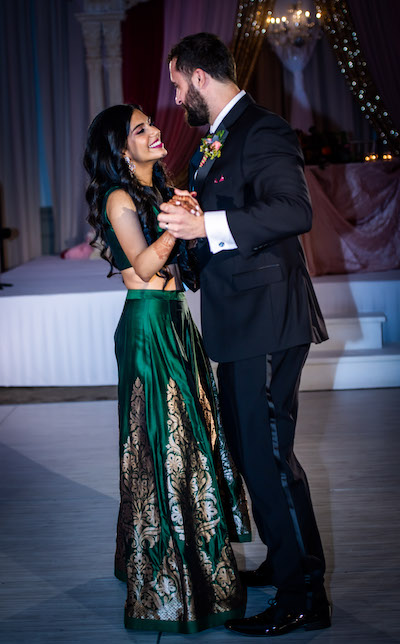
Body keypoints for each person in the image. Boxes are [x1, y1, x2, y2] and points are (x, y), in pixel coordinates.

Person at [157, 33, 331, 637]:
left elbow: (293, 211)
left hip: (267, 319)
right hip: (239, 320)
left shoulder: (264, 129)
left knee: (269, 460)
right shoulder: (219, 138)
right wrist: (192, 226)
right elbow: (222, 223)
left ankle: (304, 596)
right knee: (254, 455)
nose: (178, 100)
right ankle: (288, 565)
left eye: (179, 87)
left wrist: (208, 220)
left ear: (200, 78)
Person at [83, 103, 251, 634]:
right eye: (140, 130)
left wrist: (185, 217)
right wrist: (179, 228)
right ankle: (169, 586)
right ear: (121, 148)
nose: (155, 131)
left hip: (176, 322)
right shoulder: (117, 197)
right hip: (149, 329)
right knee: (164, 449)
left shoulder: (155, 192)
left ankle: (198, 568)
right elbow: (145, 264)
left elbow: (180, 266)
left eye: (150, 124)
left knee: (192, 443)